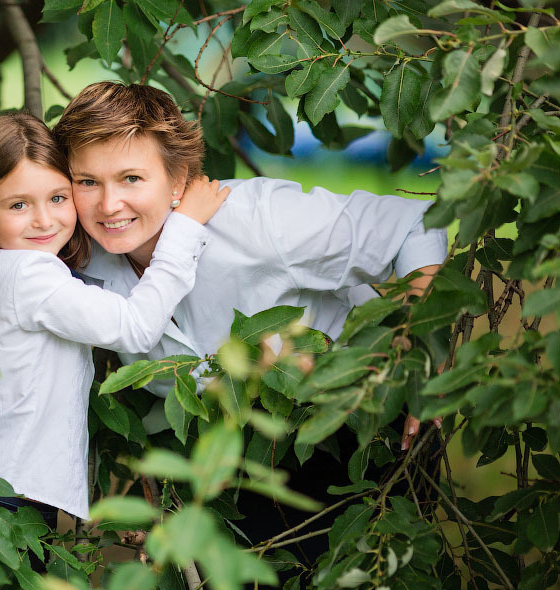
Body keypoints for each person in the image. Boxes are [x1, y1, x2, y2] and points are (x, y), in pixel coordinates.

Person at [52, 82, 447, 560]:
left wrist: (422, 349)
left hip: (351, 430)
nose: (109, 204)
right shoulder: (77, 262)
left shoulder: (260, 222)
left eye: (132, 178)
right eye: (87, 181)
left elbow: (414, 223)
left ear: (178, 180)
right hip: (223, 472)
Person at [0, 113, 229, 531]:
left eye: (58, 198)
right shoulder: (32, 275)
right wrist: (185, 228)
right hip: (5, 498)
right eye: (18, 205)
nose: (45, 220)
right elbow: (136, 326)